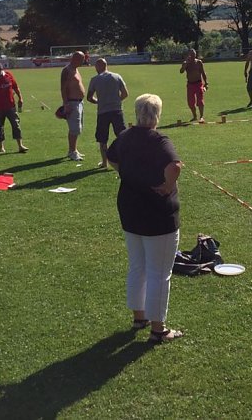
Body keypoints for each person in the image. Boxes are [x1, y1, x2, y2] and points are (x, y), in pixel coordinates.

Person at [107, 94, 184, 344]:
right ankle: (158, 329)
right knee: (159, 272)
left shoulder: (125, 136)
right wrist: (167, 186)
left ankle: (139, 317)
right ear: (157, 114)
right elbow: (175, 166)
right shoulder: (159, 139)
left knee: (138, 267)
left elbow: (112, 158)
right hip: (157, 214)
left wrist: (126, 174)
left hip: (130, 210)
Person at [86, 58, 129, 168]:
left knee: (102, 138)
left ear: (98, 67)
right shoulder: (117, 76)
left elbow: (89, 97)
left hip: (103, 112)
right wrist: (117, 100)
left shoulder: (94, 79)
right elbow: (125, 93)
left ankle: (105, 163)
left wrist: (99, 102)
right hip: (117, 111)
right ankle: (123, 160)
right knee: (121, 136)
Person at [0, 62, 27, 154]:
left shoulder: (8, 75)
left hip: (10, 106)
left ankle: (20, 145)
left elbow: (15, 87)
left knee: (16, 124)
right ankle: (1, 147)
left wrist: (20, 98)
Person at [61, 51, 87, 160]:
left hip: (79, 102)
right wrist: (66, 103)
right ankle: (72, 151)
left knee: (78, 128)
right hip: (72, 102)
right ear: (75, 58)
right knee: (74, 128)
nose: (83, 61)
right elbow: (63, 88)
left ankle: (74, 150)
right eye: (82, 59)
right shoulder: (67, 70)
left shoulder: (76, 69)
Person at [180, 48, 208, 123]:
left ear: (195, 55)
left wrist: (206, 83)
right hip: (190, 85)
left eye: (194, 54)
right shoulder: (186, 63)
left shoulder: (199, 62)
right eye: (191, 54)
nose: (192, 56)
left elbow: (203, 73)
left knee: (200, 101)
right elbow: (181, 71)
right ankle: (194, 116)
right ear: (188, 55)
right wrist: (184, 65)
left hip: (199, 84)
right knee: (191, 102)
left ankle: (201, 117)